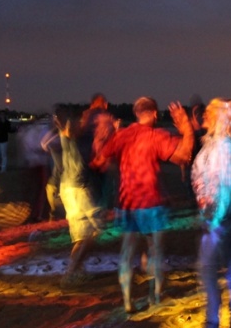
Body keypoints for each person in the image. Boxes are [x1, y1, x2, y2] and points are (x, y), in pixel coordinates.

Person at [92, 97, 194, 313]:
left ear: (136, 113)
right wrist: (187, 128)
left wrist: (102, 137)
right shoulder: (155, 136)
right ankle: (155, 296)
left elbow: (100, 160)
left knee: (127, 253)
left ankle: (128, 302)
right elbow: (183, 156)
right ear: (155, 113)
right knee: (155, 250)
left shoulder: (122, 135)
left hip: (128, 203)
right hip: (151, 202)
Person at [191, 98, 231, 328]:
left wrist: (215, 219)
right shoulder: (216, 144)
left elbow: (226, 185)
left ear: (219, 118)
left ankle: (212, 327)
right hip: (226, 216)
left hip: (221, 219)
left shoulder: (223, 146)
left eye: (208, 112)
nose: (204, 115)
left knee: (208, 269)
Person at [56, 106, 104, 286]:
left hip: (71, 188)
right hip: (77, 190)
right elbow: (68, 131)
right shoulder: (73, 136)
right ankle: (71, 272)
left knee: (82, 236)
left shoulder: (79, 137)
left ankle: (76, 270)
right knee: (92, 232)